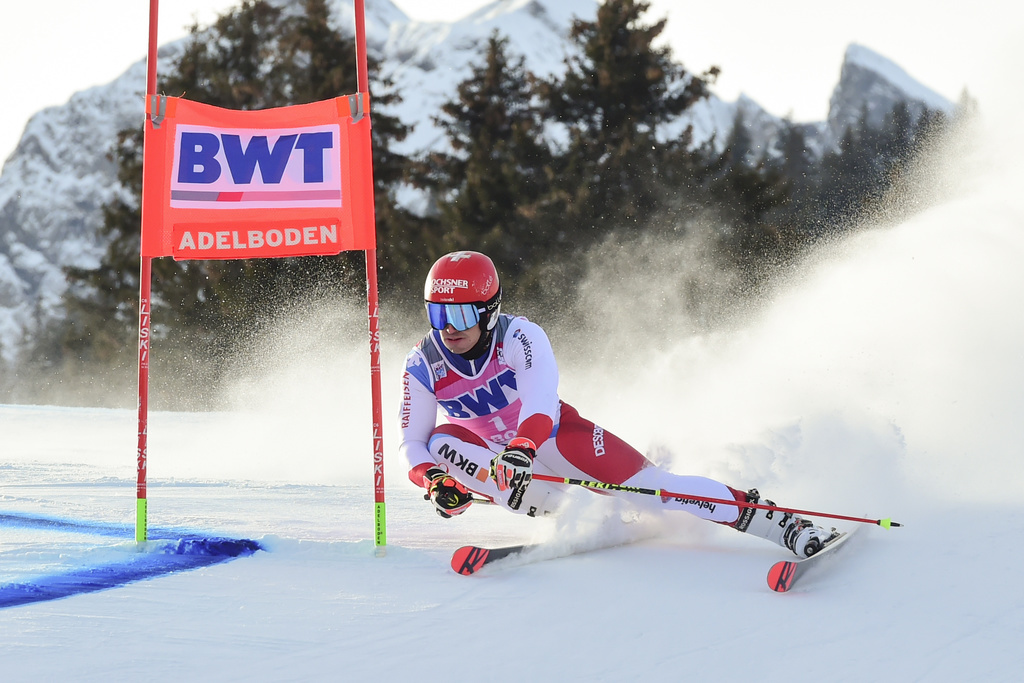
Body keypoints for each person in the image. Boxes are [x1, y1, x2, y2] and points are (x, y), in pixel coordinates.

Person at [398, 251, 837, 557]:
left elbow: (539, 401)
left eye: (459, 316)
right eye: (437, 314)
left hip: (551, 439)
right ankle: (587, 514)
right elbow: (412, 444)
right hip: (504, 468)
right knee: (440, 444)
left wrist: (523, 447)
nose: (447, 329)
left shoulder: (521, 337)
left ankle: (783, 524)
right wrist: (436, 481)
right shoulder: (423, 362)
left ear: (489, 310)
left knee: (657, 492)